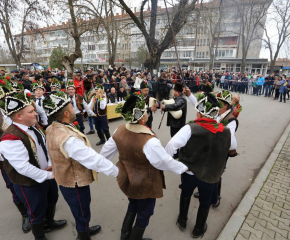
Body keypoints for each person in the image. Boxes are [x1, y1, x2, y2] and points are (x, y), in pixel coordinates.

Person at [102, 93, 188, 240]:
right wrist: (184, 168)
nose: (148, 113)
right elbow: (163, 162)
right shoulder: (149, 141)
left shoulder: (120, 130)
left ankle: (125, 235)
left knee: (133, 204)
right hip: (145, 183)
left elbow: (104, 154)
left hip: (128, 179)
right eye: (146, 112)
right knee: (145, 212)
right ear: (142, 118)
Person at [43, 91, 118, 240]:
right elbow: (92, 159)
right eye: (72, 107)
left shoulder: (52, 127)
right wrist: (118, 172)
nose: (75, 109)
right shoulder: (67, 138)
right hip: (74, 181)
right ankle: (83, 236)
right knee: (82, 209)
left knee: (80, 210)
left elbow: (53, 149)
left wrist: (53, 163)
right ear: (65, 113)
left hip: (67, 179)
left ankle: (83, 229)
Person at [0, 90, 67, 240]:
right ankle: (40, 236)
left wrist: (50, 164)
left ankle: (49, 223)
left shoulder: (32, 126)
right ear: (19, 116)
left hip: (46, 174)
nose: (36, 113)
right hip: (29, 182)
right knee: (36, 210)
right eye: (31, 112)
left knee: (51, 200)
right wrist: (50, 174)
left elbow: (44, 146)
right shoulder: (10, 138)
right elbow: (23, 167)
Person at [165, 92, 231, 238]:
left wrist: (170, 165)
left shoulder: (190, 128)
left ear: (200, 114)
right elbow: (232, 149)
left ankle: (182, 220)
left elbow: (170, 146)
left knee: (186, 194)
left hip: (189, 171)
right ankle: (199, 229)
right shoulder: (225, 131)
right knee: (205, 202)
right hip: (210, 175)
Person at [0, 78, 32, 234]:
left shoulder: (13, 109)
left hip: (27, 150)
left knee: (32, 181)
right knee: (15, 187)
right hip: (5, 160)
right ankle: (25, 214)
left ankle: (40, 212)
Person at [161, 82, 187, 159]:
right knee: (174, 138)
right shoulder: (179, 98)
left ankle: (176, 154)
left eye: (174, 91)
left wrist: (165, 107)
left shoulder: (181, 99)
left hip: (178, 123)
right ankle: (176, 153)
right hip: (175, 122)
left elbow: (176, 106)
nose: (173, 92)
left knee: (175, 138)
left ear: (177, 92)